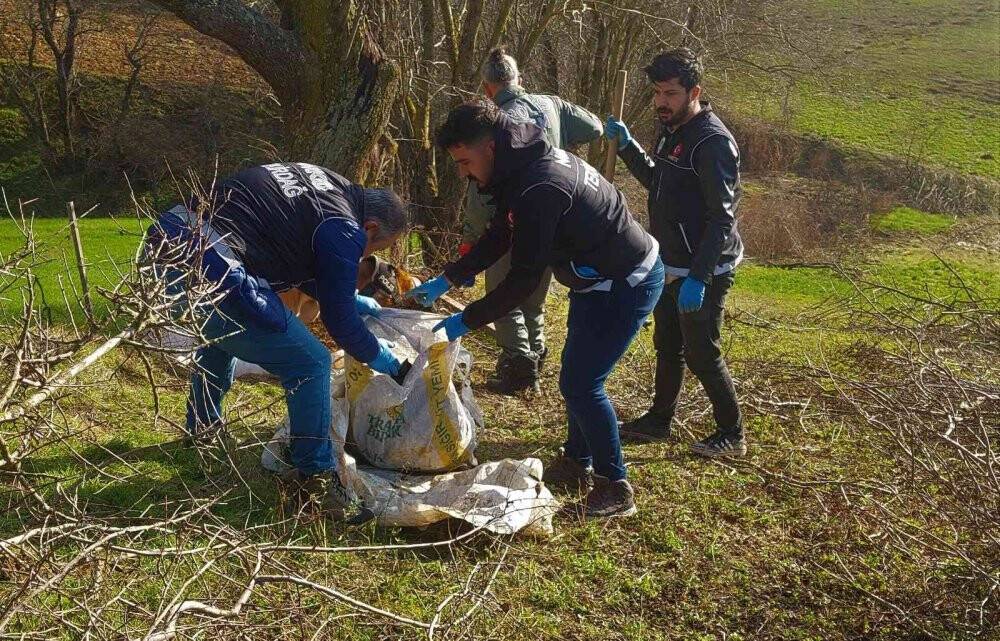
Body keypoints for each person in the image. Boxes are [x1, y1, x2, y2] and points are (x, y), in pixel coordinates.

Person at [406, 101, 664, 518]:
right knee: (574, 373)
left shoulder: (540, 187)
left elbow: (523, 279)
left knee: (583, 384)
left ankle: (615, 486)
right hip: (593, 277)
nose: (462, 173)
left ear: (488, 147)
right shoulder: (519, 164)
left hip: (627, 280)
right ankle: (577, 460)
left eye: (464, 162)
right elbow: (501, 233)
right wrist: (450, 277)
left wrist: (464, 322)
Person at [147, 162, 408, 520]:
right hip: (204, 263)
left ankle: (202, 429)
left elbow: (302, 260)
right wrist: (383, 359)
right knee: (310, 361)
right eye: (372, 249)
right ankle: (315, 482)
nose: (363, 257)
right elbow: (341, 325)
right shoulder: (346, 228)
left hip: (167, 242)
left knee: (226, 331)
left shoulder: (328, 183)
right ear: (371, 227)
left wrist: (345, 297)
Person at [605, 48, 746, 457]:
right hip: (671, 262)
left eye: (670, 93)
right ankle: (659, 420)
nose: (661, 102)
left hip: (706, 265)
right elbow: (659, 183)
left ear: (694, 92)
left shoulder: (712, 142)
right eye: (657, 92)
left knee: (702, 351)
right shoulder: (672, 131)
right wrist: (629, 148)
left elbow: (722, 220)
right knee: (668, 343)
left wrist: (699, 278)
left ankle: (731, 434)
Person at [462, 47, 604, 394]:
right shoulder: (551, 105)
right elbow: (596, 128)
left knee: (502, 294)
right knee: (533, 293)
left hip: (510, 220)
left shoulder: (494, 123)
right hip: (552, 218)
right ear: (519, 80)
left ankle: (519, 368)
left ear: (486, 88)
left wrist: (471, 237)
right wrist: (561, 141)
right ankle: (536, 356)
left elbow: (481, 192)